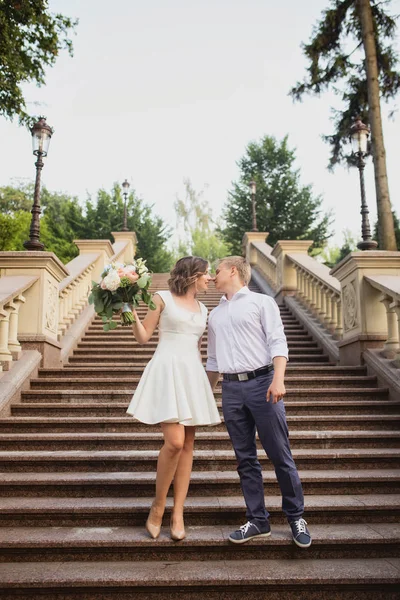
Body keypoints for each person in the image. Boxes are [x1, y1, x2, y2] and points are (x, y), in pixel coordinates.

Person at [206, 256, 311, 548]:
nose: (213, 276)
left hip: (264, 384)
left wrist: (279, 379)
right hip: (230, 389)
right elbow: (213, 360)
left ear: (233, 271)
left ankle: (295, 517)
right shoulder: (214, 315)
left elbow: (278, 341)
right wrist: (205, 395)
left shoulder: (262, 303)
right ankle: (258, 519)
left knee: (280, 453)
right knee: (245, 459)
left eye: (217, 271)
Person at [126, 256, 220, 541]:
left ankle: (178, 512)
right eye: (207, 274)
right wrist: (127, 309)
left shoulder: (205, 308)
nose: (211, 279)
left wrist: (207, 385)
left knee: (189, 444)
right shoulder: (161, 298)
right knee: (175, 442)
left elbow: (200, 349)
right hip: (166, 369)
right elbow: (143, 337)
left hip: (191, 373)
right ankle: (158, 505)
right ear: (193, 275)